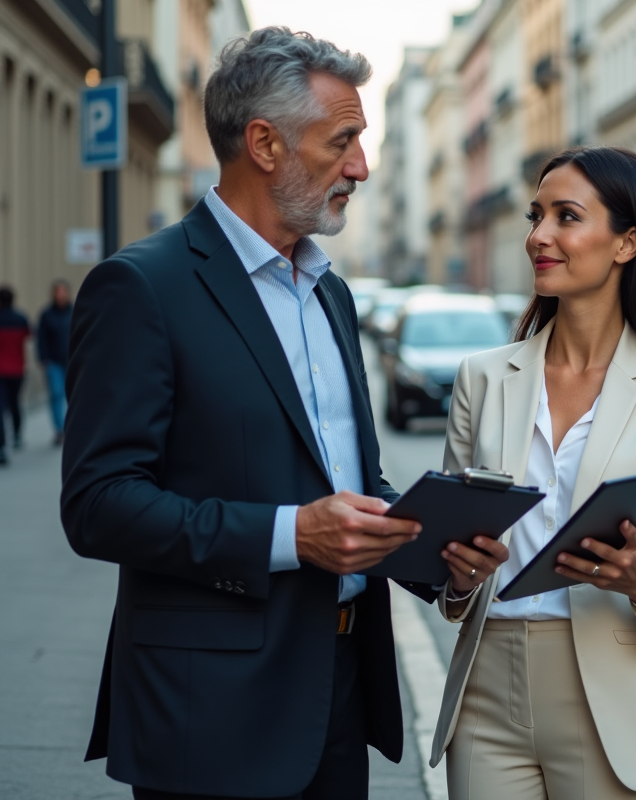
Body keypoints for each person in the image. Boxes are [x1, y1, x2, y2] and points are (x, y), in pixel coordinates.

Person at [60, 28, 429, 799]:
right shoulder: (142, 288)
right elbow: (98, 506)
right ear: (264, 144)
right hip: (210, 712)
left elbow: (343, 481)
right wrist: (293, 535)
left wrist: (432, 546)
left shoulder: (331, 290)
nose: (361, 167)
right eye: (344, 141)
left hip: (339, 695)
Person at [428, 146, 636, 800]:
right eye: (537, 216)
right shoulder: (482, 378)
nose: (539, 236)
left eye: (566, 217)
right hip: (486, 690)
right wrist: (456, 576)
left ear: (626, 244)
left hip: (616, 698)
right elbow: (449, 565)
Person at [37, 279, 71, 445]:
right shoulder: (47, 314)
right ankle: (59, 430)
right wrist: (43, 358)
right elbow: (41, 337)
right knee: (57, 394)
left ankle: (71, 428)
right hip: (54, 362)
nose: (61, 295)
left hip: (72, 360)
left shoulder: (75, 311)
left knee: (71, 396)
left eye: (63, 291)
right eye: (58, 292)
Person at [0, 285, 31, 462]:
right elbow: (29, 336)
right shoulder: (20, 318)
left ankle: (2, 446)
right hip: (17, 369)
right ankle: (17, 434)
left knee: (0, 408)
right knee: (14, 404)